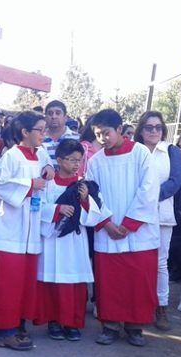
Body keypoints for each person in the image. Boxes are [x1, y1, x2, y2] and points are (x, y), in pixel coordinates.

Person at [85, 109, 160, 347]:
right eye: (98, 135)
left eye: (106, 133)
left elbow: (149, 190)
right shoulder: (96, 161)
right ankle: (109, 326)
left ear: (119, 129)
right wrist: (106, 223)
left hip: (139, 234)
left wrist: (129, 225)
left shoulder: (141, 154)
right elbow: (90, 195)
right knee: (110, 282)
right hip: (109, 232)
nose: (103, 139)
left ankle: (135, 328)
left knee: (138, 281)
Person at [0, 111, 55, 350]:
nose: (44, 134)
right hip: (10, 228)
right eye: (40, 130)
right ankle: (4, 331)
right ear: (25, 132)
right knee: (8, 283)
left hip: (30, 227)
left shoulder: (41, 152)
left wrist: (49, 170)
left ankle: (18, 323)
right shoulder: (11, 156)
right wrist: (30, 184)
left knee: (24, 282)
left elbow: (47, 166)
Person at [36, 139, 105, 341]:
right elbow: (38, 206)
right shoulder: (48, 184)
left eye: (79, 160)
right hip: (53, 240)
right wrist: (57, 209)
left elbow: (95, 214)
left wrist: (85, 200)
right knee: (53, 281)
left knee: (74, 281)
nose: (76, 164)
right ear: (59, 160)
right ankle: (54, 321)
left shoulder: (83, 184)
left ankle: (72, 322)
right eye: (71, 159)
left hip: (75, 241)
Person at [134, 111, 181, 331]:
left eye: (157, 127)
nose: (154, 131)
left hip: (161, 213)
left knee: (160, 262)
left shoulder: (171, 151)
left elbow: (175, 182)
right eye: (148, 127)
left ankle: (161, 307)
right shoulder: (134, 151)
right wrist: (141, 201)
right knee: (136, 260)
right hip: (135, 213)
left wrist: (151, 197)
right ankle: (137, 305)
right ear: (141, 130)